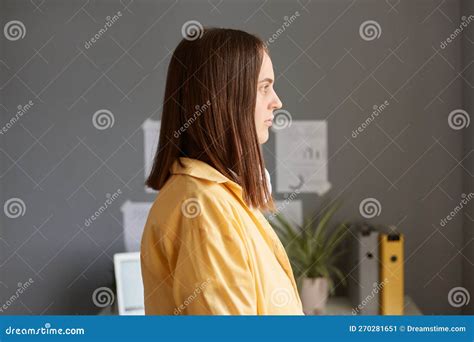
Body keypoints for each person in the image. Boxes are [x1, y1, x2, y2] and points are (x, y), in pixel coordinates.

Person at [140, 27, 304, 315]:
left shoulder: (217, 197)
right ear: (225, 97)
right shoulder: (203, 207)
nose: (277, 101)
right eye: (264, 87)